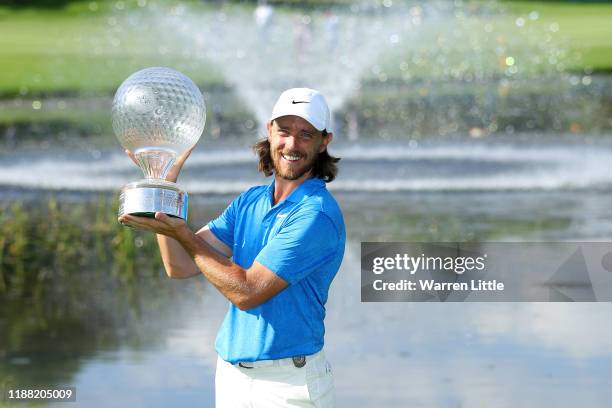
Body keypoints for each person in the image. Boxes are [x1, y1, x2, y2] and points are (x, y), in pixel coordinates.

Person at [119, 88, 346, 408]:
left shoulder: (316, 215)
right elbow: (180, 265)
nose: (291, 145)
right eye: (284, 131)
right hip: (232, 377)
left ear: (324, 141)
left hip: (288, 384)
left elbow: (248, 291)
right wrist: (163, 189)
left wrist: (181, 232)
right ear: (269, 132)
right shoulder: (250, 201)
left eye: (305, 134)